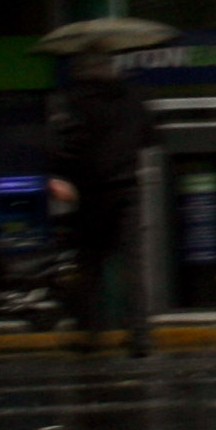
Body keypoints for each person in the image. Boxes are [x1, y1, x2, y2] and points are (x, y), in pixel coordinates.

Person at [37, 19, 166, 357]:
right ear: (111, 65)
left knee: (90, 267)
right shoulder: (134, 96)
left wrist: (60, 174)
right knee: (133, 267)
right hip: (127, 190)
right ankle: (140, 336)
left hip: (90, 194)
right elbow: (151, 138)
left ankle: (91, 334)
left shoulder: (73, 99)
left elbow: (66, 144)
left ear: (81, 67)